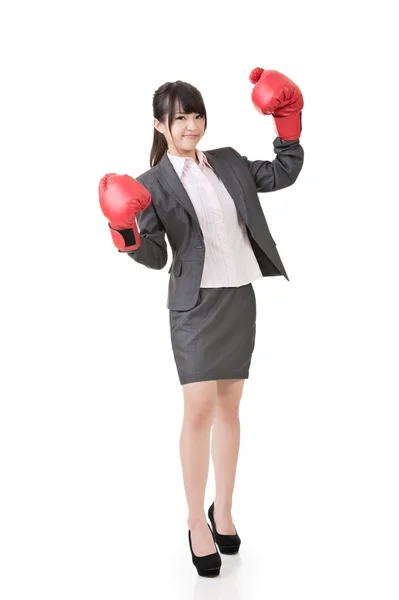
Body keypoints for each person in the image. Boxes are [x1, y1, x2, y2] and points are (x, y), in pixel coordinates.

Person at [98, 69, 304, 577]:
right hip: (193, 307)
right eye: (180, 118)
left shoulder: (230, 162)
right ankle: (195, 520)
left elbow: (282, 173)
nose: (191, 126)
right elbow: (153, 256)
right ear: (160, 125)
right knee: (198, 410)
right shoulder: (150, 185)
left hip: (237, 296)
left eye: (196, 115)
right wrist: (123, 230)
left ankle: (224, 511)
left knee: (231, 407)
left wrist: (289, 120)